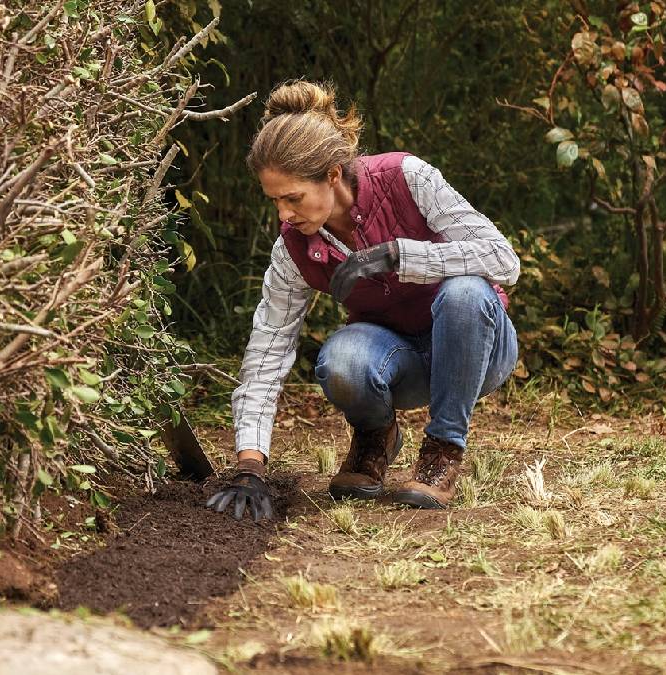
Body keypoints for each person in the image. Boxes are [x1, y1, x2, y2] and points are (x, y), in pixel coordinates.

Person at [205, 80, 520, 522]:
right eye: (274, 201)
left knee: (465, 292)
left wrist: (398, 254)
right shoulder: (292, 249)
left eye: (293, 197)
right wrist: (250, 463)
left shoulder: (406, 177)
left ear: (333, 174)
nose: (284, 215)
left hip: (479, 348)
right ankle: (376, 438)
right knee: (342, 359)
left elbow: (503, 259)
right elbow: (267, 350)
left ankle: (443, 449)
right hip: (399, 362)